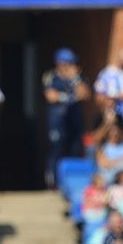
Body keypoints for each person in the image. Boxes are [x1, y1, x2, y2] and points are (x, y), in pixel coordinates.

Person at [43, 49, 87, 188]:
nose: (68, 65)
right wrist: (69, 97)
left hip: (74, 119)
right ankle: (54, 183)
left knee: (75, 149)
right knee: (57, 150)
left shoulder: (77, 77)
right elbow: (51, 97)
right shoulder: (51, 77)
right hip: (57, 120)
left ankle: (71, 184)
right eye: (66, 62)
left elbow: (84, 94)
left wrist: (74, 79)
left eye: (71, 63)